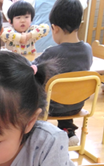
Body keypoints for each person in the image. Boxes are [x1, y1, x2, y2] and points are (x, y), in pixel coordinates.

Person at [32, 0, 93, 147]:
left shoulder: (52, 52)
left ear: (55, 28)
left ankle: (35, 133)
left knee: (38, 87)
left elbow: (32, 68)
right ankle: (68, 130)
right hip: (77, 104)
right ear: (79, 24)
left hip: (52, 107)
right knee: (67, 90)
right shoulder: (87, 50)